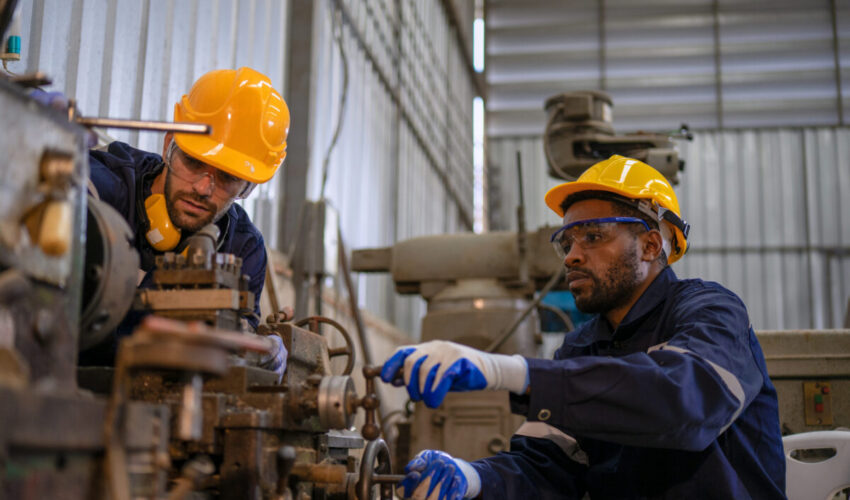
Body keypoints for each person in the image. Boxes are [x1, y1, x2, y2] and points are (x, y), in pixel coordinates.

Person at [381, 155, 786, 499]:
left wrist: (506, 371)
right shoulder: (582, 347)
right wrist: (472, 478)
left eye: (592, 236)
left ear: (649, 246)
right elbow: (548, 462)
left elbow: (681, 401)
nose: (572, 257)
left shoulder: (710, 311)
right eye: (567, 242)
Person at [71, 67, 289, 375]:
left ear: (248, 187)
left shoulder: (244, 247)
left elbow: (235, 352)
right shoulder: (100, 186)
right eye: (193, 161)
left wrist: (259, 352)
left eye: (227, 177)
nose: (202, 188)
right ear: (169, 144)